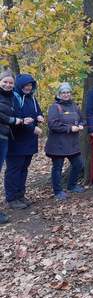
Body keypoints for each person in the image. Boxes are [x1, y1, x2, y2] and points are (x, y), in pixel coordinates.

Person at [5, 73, 44, 209]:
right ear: (20, 85)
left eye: (30, 85)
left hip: (29, 141)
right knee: (14, 170)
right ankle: (11, 198)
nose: (28, 88)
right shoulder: (14, 98)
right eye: (26, 85)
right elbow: (16, 117)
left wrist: (39, 116)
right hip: (16, 140)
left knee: (24, 169)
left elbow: (37, 111)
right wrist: (32, 128)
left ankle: (20, 194)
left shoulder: (31, 98)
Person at [45, 83, 85, 200]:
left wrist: (81, 125)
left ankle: (71, 185)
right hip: (58, 145)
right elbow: (53, 125)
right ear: (59, 94)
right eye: (63, 92)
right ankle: (57, 191)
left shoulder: (75, 106)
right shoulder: (55, 107)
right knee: (57, 167)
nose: (66, 94)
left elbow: (82, 120)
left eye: (68, 92)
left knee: (78, 164)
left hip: (72, 144)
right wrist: (70, 128)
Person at [0, 71, 28, 223]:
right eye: (5, 81)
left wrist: (21, 120)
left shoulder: (10, 97)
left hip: (4, 137)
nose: (8, 84)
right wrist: (13, 120)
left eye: (10, 83)